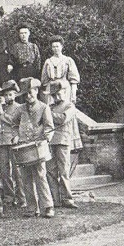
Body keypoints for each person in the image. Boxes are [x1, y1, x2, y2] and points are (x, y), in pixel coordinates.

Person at [16, 77, 55, 218]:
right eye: (25, 94)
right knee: (26, 178)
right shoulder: (20, 109)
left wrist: (45, 138)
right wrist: (15, 136)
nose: (28, 96)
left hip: (39, 147)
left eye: (31, 92)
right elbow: (14, 124)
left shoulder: (44, 108)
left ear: (37, 91)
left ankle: (48, 206)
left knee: (41, 176)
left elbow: (49, 127)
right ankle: (32, 208)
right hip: (24, 148)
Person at [46, 80, 77, 209]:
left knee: (63, 171)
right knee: (51, 171)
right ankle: (55, 199)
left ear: (64, 92)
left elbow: (63, 119)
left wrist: (48, 114)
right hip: (51, 142)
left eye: (59, 94)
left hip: (63, 141)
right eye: (54, 95)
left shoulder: (69, 106)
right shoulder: (51, 107)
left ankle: (67, 199)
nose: (57, 97)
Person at [0, 80, 24, 205]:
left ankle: (22, 197)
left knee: (17, 170)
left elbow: (14, 122)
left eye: (10, 95)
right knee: (4, 171)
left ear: (15, 95)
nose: (8, 97)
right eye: (5, 95)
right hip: (1, 142)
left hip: (13, 141)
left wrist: (1, 114)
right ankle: (9, 197)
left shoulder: (19, 107)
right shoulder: (0, 108)